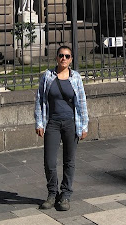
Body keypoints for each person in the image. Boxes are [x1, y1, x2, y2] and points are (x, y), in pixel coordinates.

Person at [34, 45, 89, 211]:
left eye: (67, 56)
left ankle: (65, 195)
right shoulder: (47, 76)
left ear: (71, 59)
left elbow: (81, 102)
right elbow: (40, 100)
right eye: (61, 55)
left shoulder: (76, 77)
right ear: (56, 58)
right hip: (52, 123)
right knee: (49, 161)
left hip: (71, 123)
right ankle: (52, 193)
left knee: (69, 161)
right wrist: (39, 123)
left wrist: (84, 126)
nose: (63, 58)